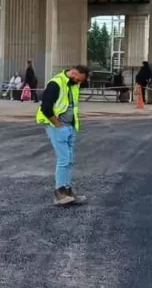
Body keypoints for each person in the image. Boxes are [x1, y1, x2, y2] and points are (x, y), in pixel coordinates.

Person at [35, 64, 91, 206]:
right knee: (63, 160)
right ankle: (60, 193)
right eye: (79, 79)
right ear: (73, 73)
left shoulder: (73, 85)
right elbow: (45, 107)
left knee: (69, 160)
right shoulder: (56, 83)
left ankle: (67, 191)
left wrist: (71, 125)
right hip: (58, 127)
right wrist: (57, 124)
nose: (79, 83)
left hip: (70, 127)